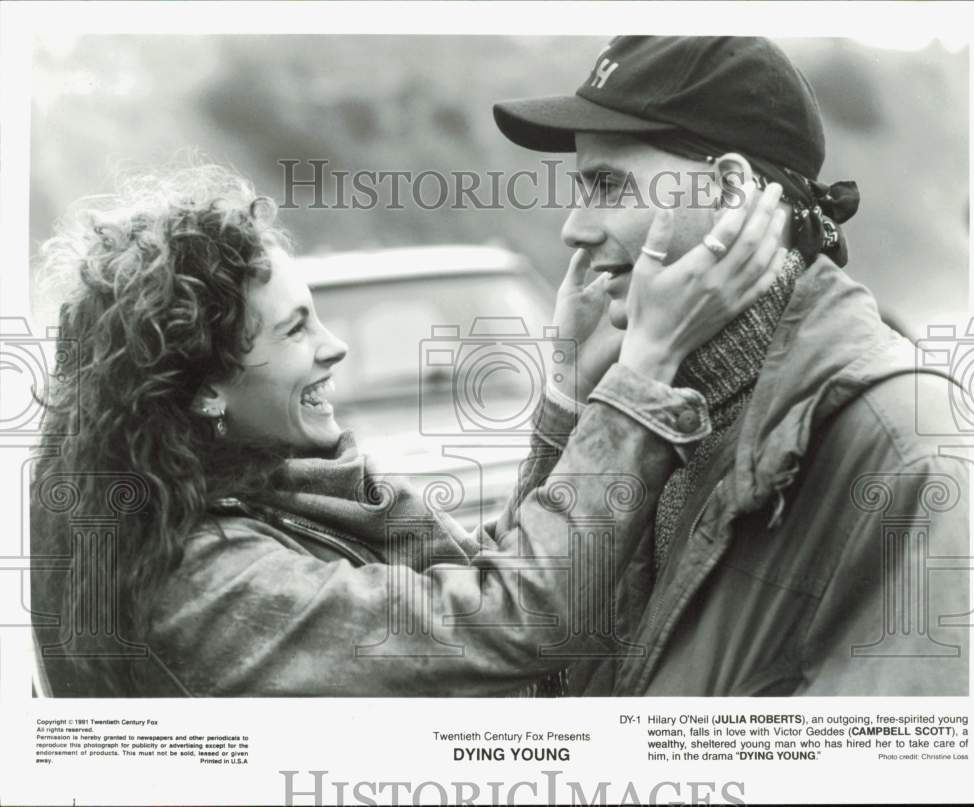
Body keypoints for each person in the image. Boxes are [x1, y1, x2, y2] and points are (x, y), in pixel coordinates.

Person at [30, 163, 785, 697]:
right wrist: (644, 370)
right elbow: (508, 623)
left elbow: (485, 581)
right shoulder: (207, 586)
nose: (335, 347)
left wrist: (566, 391)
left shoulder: (245, 499)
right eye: (296, 331)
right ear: (203, 394)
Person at [493, 35, 970, 695]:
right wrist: (565, 409)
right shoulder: (638, 409)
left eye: (607, 184)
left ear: (729, 189)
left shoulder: (903, 446)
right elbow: (519, 661)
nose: (575, 227)